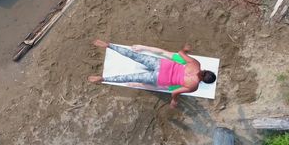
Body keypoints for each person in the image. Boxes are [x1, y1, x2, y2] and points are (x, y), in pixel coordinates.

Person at [88, 39, 216, 108]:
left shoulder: (196, 64)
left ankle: (109, 45)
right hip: (160, 78)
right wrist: (174, 101)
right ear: (204, 81)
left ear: (206, 71)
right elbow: (174, 92)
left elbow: (180, 53)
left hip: (162, 65)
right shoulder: (194, 86)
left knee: (134, 56)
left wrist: (185, 50)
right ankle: (103, 78)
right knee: (130, 77)